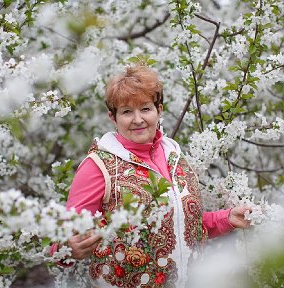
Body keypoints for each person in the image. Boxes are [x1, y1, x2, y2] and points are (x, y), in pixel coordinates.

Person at [51, 65, 251, 287]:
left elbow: (184, 224)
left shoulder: (174, 156)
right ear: (113, 117)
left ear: (159, 109)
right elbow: (65, 236)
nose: (138, 119)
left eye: (145, 109)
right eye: (127, 111)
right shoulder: (99, 166)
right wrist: (64, 248)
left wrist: (227, 219)